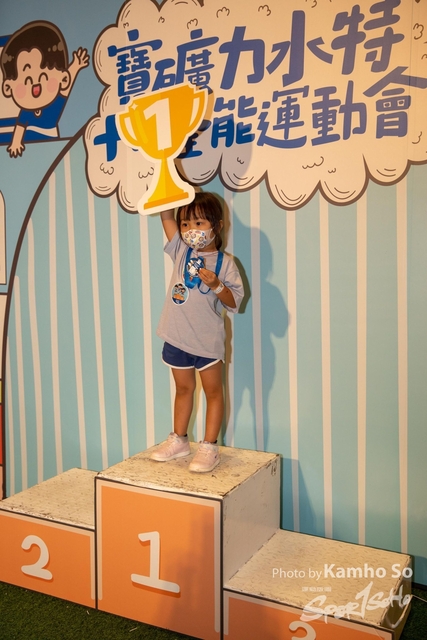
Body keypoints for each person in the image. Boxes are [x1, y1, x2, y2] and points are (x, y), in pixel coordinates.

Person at [151, 191, 244, 472]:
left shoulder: (225, 263)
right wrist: (168, 185)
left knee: (213, 392)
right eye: (185, 224)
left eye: (199, 223)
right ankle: (179, 440)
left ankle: (209, 446)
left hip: (207, 341)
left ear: (217, 225)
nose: (191, 230)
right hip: (176, 335)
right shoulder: (181, 251)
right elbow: (166, 215)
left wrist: (217, 284)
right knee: (183, 389)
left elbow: (234, 302)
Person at [0, 21, 89, 157]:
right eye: (26, 80)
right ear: (8, 87)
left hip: (50, 148)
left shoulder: (55, 104)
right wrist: (16, 142)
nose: (34, 84)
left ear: (63, 78)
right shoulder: (26, 111)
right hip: (30, 151)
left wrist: (76, 66)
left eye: (44, 77)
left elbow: (66, 86)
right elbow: (20, 127)